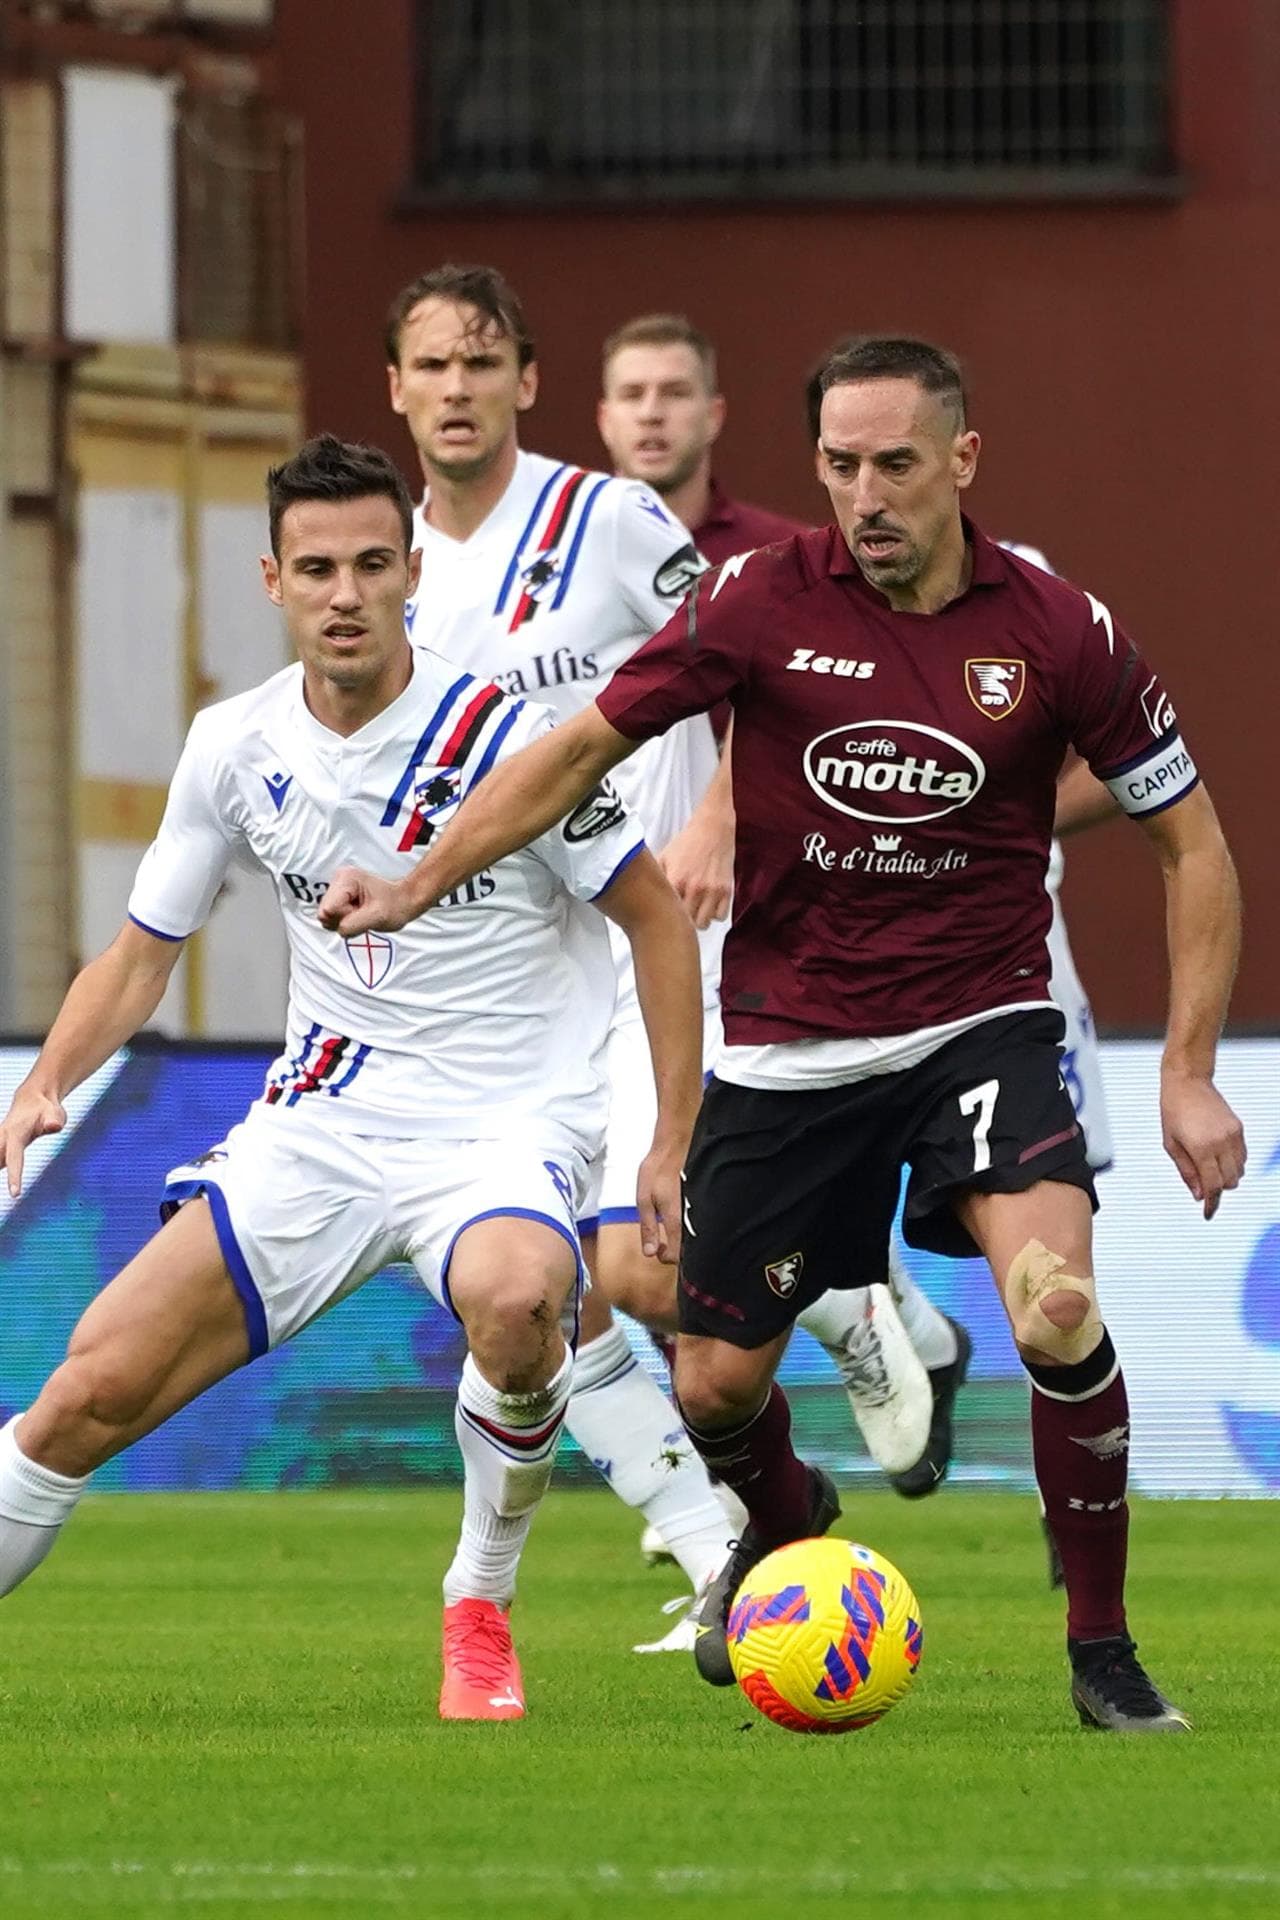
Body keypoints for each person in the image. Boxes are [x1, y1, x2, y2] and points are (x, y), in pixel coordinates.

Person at [320, 338, 1246, 1733]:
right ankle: (788, 1513)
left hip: (979, 1026)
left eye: (894, 465)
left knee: (1055, 1303)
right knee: (714, 1381)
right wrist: (413, 880)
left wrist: (1186, 1074)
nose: (864, 495)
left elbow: (1195, 839)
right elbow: (577, 754)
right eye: (839, 467)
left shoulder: (1060, 627)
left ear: (962, 462)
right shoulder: (757, 602)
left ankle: (1103, 1653)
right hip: (785, 1043)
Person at [0, 436, 704, 1723]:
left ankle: (478, 1606)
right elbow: (142, 954)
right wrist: (48, 1077)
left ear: (411, 572)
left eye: (371, 565)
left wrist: (664, 1143)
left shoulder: (516, 740)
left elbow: (656, 922)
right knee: (82, 1397)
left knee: (515, 1296)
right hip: (320, 1128)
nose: (344, 593)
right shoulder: (231, 745)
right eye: (316, 567)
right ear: (271, 579)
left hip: (503, 1127)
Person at [383, 263, 735, 1646]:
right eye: (432, 366)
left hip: (639, 943)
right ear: (396, 390)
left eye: (483, 363)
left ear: (528, 383)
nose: (457, 389)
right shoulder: (383, 563)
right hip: (486, 988)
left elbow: (751, 659)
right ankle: (711, 1545)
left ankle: (850, 1305)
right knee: (549, 1293)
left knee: (638, 1271)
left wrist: (717, 811)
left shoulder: (606, 519)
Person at [601, 315, 968, 1499]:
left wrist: (713, 816)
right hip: (547, 947)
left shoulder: (786, 553)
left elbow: (779, 706)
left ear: (714, 415)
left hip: (708, 932)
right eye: (629, 394)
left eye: (673, 391)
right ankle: (837, 1313)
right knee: (608, 1277)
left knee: (641, 1255)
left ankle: (831, 1328)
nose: (650, 414)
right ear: (597, 414)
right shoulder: (565, 541)